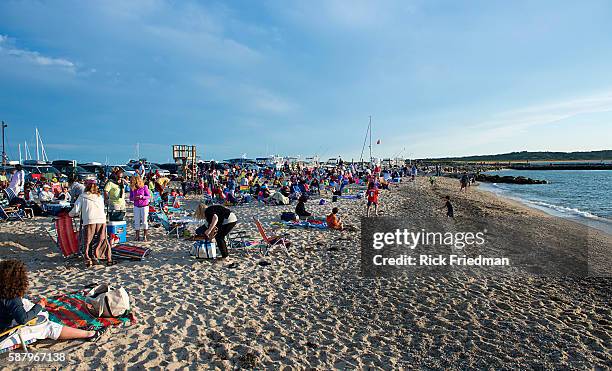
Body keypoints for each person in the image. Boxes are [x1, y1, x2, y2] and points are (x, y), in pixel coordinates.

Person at [0, 260, 105, 350]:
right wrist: (39, 306)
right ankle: (90, 334)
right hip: (3, 336)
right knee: (47, 327)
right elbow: (22, 319)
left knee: (26, 304)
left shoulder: (7, 295)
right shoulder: (12, 298)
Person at [69, 181, 114, 267]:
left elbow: (76, 210)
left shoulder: (82, 196)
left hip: (90, 220)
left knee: (88, 241)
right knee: (103, 239)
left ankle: (88, 258)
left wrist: (70, 214)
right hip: (101, 219)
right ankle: (108, 258)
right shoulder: (99, 197)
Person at [129, 175, 151, 242]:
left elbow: (148, 196)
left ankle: (145, 235)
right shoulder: (132, 188)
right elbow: (130, 198)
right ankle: (137, 236)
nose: (135, 184)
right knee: (136, 221)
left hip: (144, 206)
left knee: (144, 221)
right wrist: (134, 198)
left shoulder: (145, 187)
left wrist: (142, 197)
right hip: (136, 206)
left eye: (135, 183)